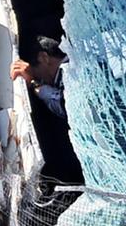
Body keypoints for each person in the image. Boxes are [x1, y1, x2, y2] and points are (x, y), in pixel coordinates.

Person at [10, 35, 83, 184]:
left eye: (37, 73)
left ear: (44, 57)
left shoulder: (71, 70)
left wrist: (33, 82)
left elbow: (67, 106)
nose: (41, 81)